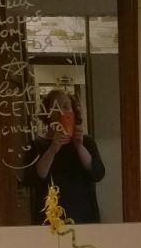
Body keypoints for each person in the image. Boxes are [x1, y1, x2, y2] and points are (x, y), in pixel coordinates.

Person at [36, 89, 105, 223]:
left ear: (73, 112)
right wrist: (52, 150)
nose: (61, 112)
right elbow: (37, 178)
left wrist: (79, 147)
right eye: (55, 107)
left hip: (84, 216)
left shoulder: (86, 142)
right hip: (51, 219)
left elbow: (98, 173)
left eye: (66, 107)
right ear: (47, 114)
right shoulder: (39, 144)